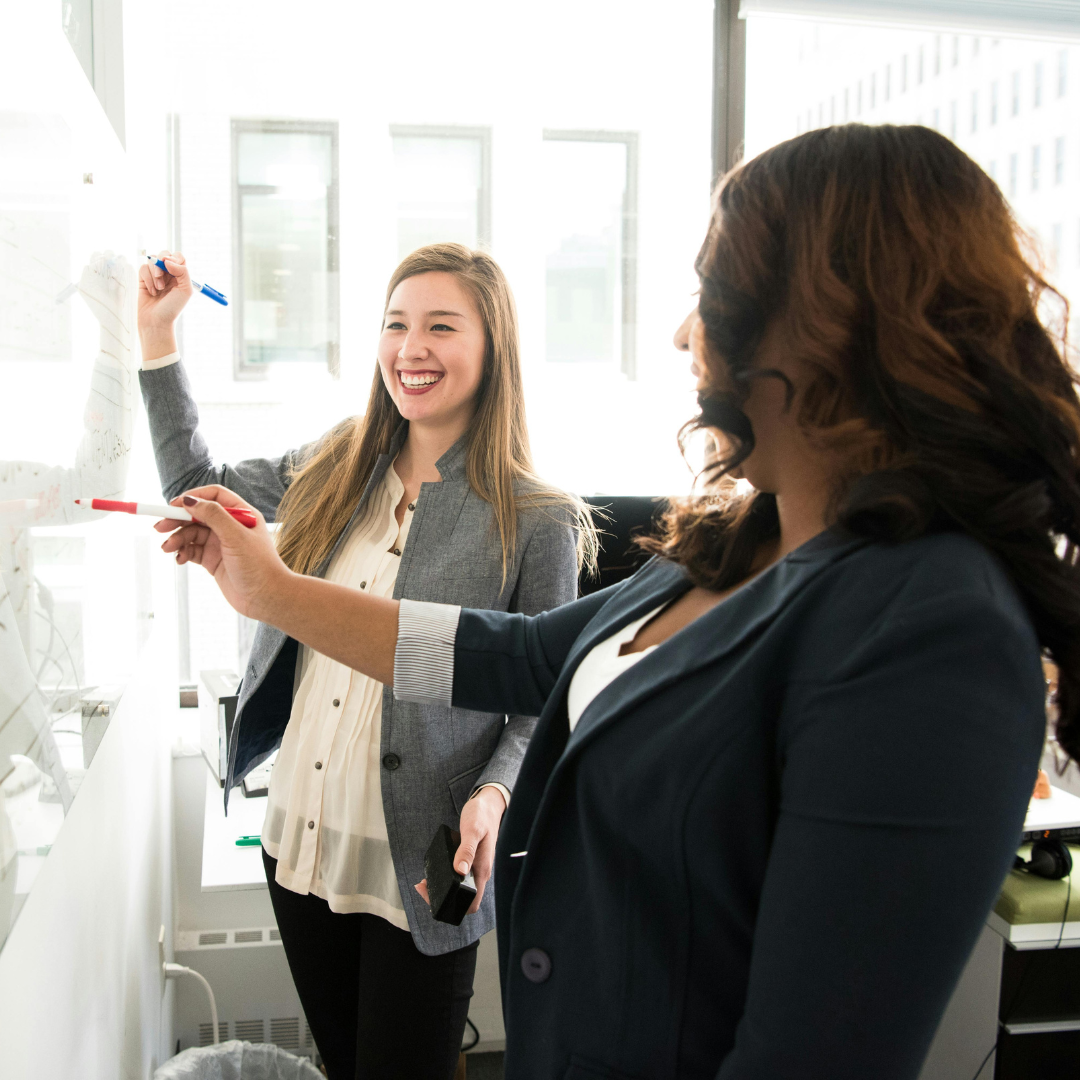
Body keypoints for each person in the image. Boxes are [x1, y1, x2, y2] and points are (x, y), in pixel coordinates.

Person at [155, 125, 1080, 1078]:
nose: (685, 332)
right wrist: (272, 590)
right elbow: (511, 654)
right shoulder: (730, 545)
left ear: (830, 321)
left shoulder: (933, 632)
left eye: (711, 295)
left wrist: (485, 790)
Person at [137, 243, 590, 1080]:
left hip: (425, 856)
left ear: (493, 349)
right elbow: (198, 483)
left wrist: (495, 794)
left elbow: (546, 697)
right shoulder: (338, 462)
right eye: (395, 325)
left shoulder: (537, 518)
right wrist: (157, 338)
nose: (410, 349)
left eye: (441, 327)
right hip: (300, 838)